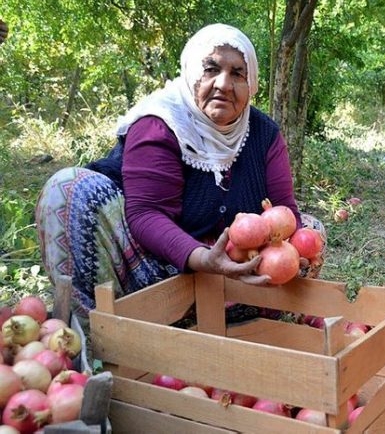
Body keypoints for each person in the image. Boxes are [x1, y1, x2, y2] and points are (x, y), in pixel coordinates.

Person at [35, 23, 325, 324]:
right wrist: (201, 258)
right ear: (190, 72)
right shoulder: (160, 124)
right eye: (211, 69)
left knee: (313, 229)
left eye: (238, 73)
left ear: (250, 84)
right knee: (70, 189)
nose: (224, 84)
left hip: (238, 271)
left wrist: (293, 246)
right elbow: (146, 214)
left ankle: (244, 325)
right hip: (154, 272)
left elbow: (284, 210)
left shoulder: (264, 135)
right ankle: (98, 335)